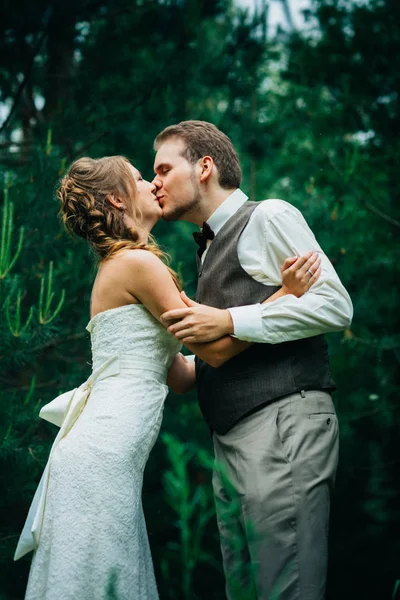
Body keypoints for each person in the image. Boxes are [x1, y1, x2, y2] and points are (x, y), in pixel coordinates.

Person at [14, 155, 319, 600]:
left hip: (104, 452)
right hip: (101, 453)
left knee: (106, 574)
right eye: (140, 178)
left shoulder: (125, 265)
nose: (152, 185)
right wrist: (284, 297)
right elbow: (213, 348)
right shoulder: (137, 263)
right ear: (118, 198)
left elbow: (179, 375)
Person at [153, 120, 353, 600]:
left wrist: (231, 322)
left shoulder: (269, 216)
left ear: (204, 167)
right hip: (231, 441)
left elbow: (334, 305)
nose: (154, 182)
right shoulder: (206, 250)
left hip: (282, 421)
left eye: (162, 168)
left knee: (289, 589)